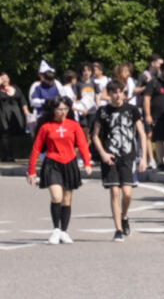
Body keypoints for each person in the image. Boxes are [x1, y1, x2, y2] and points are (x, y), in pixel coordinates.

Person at [26, 97, 92, 243]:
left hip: (70, 163)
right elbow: (36, 149)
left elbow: (82, 144)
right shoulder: (46, 127)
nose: (62, 112)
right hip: (52, 163)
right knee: (57, 197)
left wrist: (87, 163)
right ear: (53, 110)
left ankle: (64, 231)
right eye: (59, 109)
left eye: (65, 109)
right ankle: (56, 229)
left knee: (67, 199)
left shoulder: (74, 125)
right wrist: (31, 171)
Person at [89, 78, 144, 239]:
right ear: (109, 94)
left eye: (120, 92)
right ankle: (118, 230)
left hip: (128, 155)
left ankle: (124, 216)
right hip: (110, 155)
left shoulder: (132, 110)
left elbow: (141, 133)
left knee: (127, 193)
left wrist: (144, 157)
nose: (118, 95)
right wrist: (103, 153)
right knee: (114, 191)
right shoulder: (103, 111)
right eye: (114, 92)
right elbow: (95, 136)